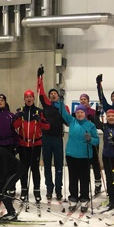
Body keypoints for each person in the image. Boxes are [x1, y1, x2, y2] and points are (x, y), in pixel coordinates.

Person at [53, 99, 100, 213]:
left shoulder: (90, 125)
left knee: (84, 178)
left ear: (85, 114)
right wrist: (61, 100)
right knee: (73, 177)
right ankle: (73, 197)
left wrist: (91, 139)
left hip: (85, 156)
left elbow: (97, 141)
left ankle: (84, 198)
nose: (79, 114)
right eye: (78, 112)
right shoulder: (72, 121)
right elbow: (63, 112)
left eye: (82, 112)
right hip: (71, 155)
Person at [37, 66, 68, 202]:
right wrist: (40, 77)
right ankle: (49, 188)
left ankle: (59, 190)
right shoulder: (47, 105)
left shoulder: (63, 107)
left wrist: (62, 105)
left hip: (57, 139)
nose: (53, 95)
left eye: (55, 93)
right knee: (48, 165)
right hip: (46, 138)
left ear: (58, 95)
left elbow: (67, 122)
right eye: (51, 94)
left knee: (59, 165)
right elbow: (40, 91)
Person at [13, 89, 50, 202]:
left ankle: (37, 191)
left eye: (31, 97)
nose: (29, 99)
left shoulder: (39, 111)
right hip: (23, 144)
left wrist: (40, 120)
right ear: (24, 99)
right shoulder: (21, 111)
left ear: (34, 98)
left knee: (35, 168)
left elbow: (47, 126)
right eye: (26, 97)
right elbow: (14, 125)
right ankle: (24, 190)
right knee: (24, 169)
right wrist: (18, 117)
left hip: (36, 143)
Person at [75, 93, 103, 195]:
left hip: (92, 140)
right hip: (81, 142)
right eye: (81, 99)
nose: (83, 100)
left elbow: (98, 125)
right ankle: (84, 184)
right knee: (84, 164)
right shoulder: (78, 111)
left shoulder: (92, 111)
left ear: (88, 100)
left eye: (85, 99)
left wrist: (96, 116)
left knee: (95, 162)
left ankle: (98, 183)